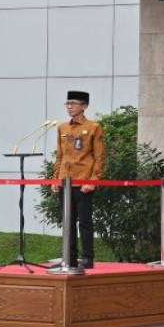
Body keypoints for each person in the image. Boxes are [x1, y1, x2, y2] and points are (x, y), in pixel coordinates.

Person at [53, 90, 106, 269]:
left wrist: (93, 180)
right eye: (67, 103)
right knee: (67, 221)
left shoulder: (93, 127)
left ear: (84, 106)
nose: (69, 107)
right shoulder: (62, 128)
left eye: (73, 103)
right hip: (65, 181)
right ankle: (69, 258)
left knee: (84, 221)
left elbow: (99, 156)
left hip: (83, 182)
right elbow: (59, 156)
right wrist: (55, 179)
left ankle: (88, 258)